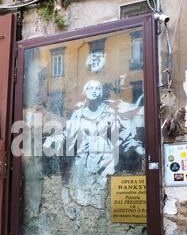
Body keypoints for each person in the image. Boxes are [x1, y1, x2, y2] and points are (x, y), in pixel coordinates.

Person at [43, 79, 144, 214]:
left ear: (101, 92)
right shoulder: (78, 114)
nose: (94, 91)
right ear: (85, 92)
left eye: (97, 88)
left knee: (101, 198)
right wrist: (53, 140)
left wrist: (136, 145)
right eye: (90, 88)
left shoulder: (108, 113)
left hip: (105, 161)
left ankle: (101, 226)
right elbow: (67, 132)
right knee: (81, 197)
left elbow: (122, 131)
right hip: (83, 161)